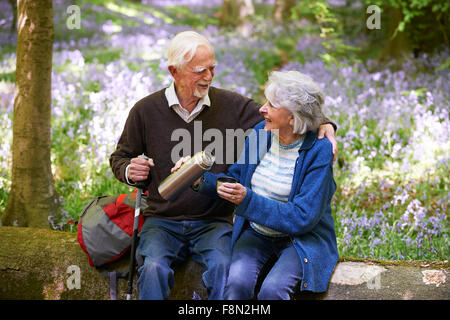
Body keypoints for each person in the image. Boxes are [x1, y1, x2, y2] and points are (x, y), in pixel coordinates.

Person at [109, 31, 337, 300]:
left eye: (212, 68)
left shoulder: (233, 107)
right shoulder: (145, 110)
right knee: (154, 268)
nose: (208, 76)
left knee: (223, 269)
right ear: (174, 71)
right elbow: (120, 158)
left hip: (212, 221)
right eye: (200, 70)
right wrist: (129, 170)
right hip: (162, 220)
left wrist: (324, 124)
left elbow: (293, 112)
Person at [187, 70, 339, 299]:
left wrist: (247, 199)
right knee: (236, 283)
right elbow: (237, 178)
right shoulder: (261, 133)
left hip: (300, 240)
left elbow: (303, 217)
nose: (262, 108)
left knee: (273, 291)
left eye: (272, 104)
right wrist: (201, 180)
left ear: (292, 117)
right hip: (257, 233)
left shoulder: (319, 151)